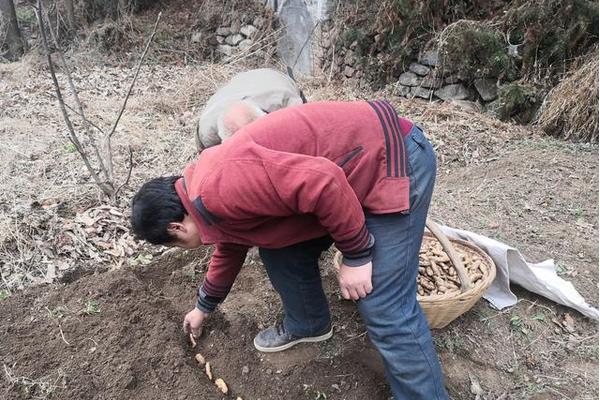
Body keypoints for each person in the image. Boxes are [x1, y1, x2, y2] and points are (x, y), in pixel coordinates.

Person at [131, 100, 449, 399]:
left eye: (179, 244)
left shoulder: (218, 188)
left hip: (389, 158)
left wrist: (357, 254)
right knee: (280, 248)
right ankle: (308, 324)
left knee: (384, 305)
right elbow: (231, 244)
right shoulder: (198, 189)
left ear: (176, 228)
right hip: (350, 169)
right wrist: (204, 306)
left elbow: (325, 181)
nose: (188, 247)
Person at [195, 68, 306, 151]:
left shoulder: (286, 104)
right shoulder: (207, 134)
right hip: (241, 82)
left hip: (272, 77)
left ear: (265, 117)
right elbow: (208, 163)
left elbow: (305, 135)